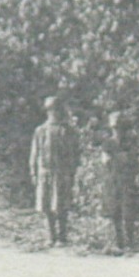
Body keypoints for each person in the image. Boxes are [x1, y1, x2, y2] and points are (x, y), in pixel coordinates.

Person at [29, 96, 80, 247]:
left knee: (61, 205)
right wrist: (33, 171)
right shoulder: (41, 130)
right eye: (50, 110)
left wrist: (72, 171)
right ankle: (51, 235)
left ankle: (62, 236)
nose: (54, 113)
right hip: (45, 171)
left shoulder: (68, 130)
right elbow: (35, 152)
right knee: (46, 205)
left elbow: (73, 152)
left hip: (61, 172)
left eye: (56, 110)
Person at [99, 112, 137, 252]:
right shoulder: (108, 143)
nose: (118, 131)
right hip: (112, 180)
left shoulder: (130, 142)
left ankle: (130, 242)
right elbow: (106, 161)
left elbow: (132, 159)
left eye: (121, 128)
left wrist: (120, 158)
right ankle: (117, 242)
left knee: (128, 211)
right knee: (114, 211)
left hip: (127, 180)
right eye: (115, 128)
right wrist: (121, 158)